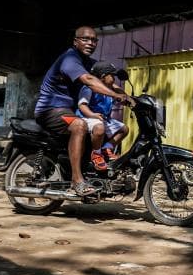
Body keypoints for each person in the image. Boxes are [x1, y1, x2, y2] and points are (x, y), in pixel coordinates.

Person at [34, 26, 134, 197]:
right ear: (76, 42)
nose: (90, 43)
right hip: (51, 109)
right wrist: (115, 96)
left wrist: (130, 98)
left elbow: (107, 82)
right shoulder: (70, 59)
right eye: (85, 39)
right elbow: (89, 80)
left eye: (94, 40)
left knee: (103, 128)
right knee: (80, 125)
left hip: (68, 111)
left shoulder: (90, 63)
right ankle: (76, 180)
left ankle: (93, 170)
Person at [77, 61, 130, 167]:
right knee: (100, 128)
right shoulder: (88, 88)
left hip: (102, 118)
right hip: (87, 117)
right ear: (102, 77)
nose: (114, 79)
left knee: (124, 129)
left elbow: (123, 97)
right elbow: (82, 105)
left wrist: (114, 87)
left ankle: (107, 148)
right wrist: (92, 115)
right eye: (112, 76)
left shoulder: (109, 90)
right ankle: (96, 154)